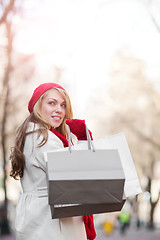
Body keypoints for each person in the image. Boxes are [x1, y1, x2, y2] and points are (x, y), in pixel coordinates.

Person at [10, 82, 96, 240]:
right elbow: (75, 179)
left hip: (38, 218)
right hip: (52, 223)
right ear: (38, 106)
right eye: (52, 103)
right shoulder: (46, 139)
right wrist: (84, 142)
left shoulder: (30, 135)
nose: (59, 110)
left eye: (63, 105)